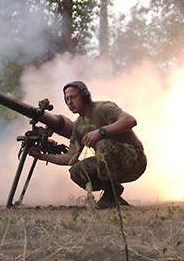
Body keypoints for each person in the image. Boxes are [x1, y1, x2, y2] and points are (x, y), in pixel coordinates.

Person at [29, 81, 147, 209]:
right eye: (67, 99)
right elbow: (70, 158)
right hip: (114, 166)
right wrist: (42, 156)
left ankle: (110, 195)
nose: (70, 102)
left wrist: (101, 132)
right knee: (76, 171)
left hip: (134, 160)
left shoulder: (103, 108)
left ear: (85, 96)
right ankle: (113, 192)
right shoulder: (79, 126)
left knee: (103, 144)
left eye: (73, 97)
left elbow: (130, 120)